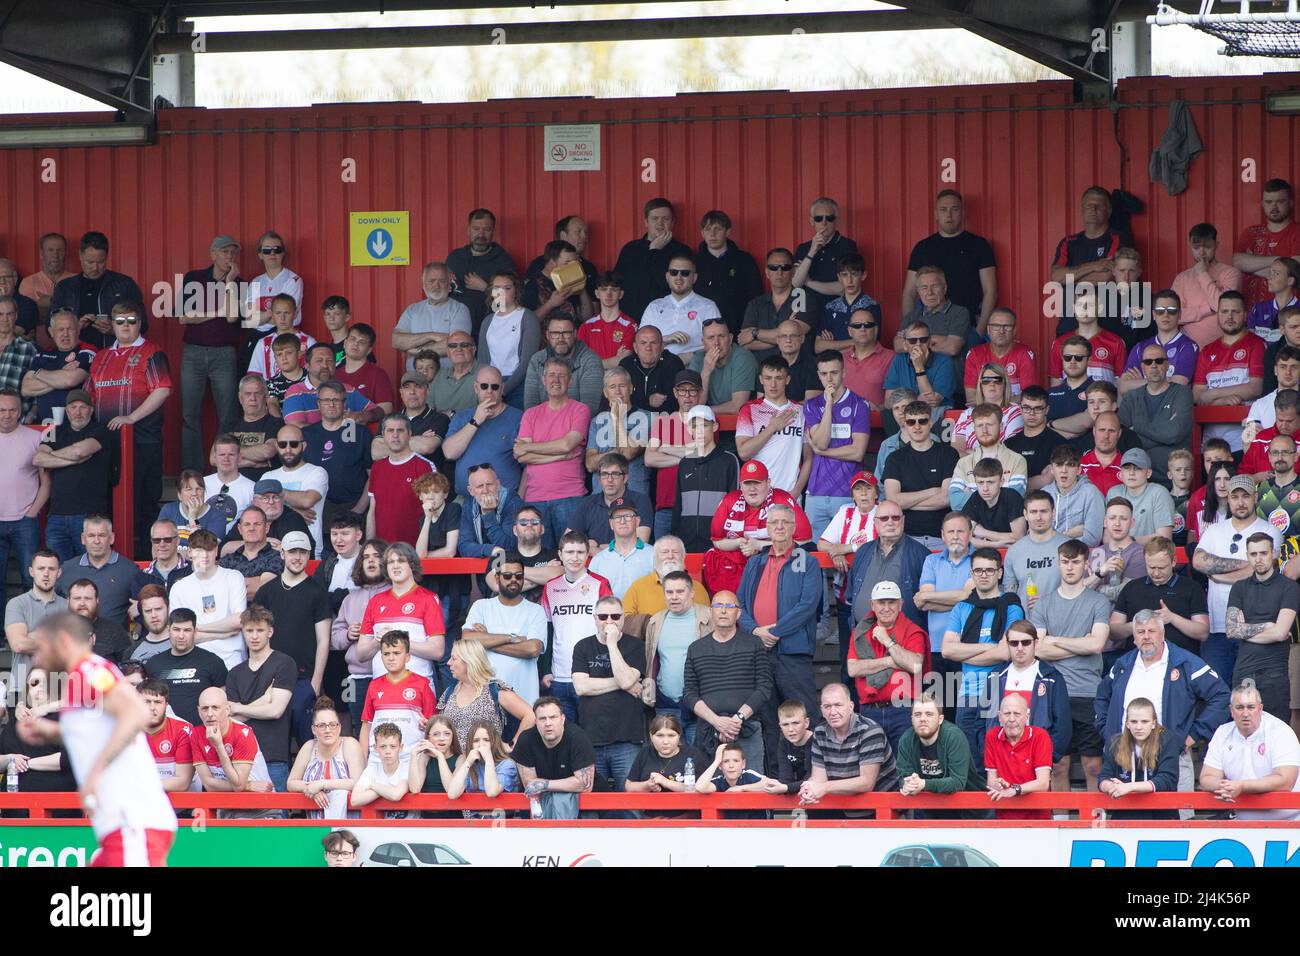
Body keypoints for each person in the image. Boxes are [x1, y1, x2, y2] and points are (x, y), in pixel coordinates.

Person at [18, 612, 176, 865]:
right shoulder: (77, 681)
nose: (36, 657)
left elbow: (135, 713)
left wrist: (96, 772)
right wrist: (51, 731)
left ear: (63, 642)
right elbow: (94, 732)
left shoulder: (90, 670)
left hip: (133, 821)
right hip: (118, 824)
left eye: (40, 648)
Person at [1096, 610, 1232, 800]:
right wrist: (1107, 731)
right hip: (1125, 756)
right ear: (1134, 637)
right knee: (1128, 822)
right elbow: (1102, 696)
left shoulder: (1185, 662)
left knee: (1176, 821)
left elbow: (1222, 696)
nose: (1146, 637)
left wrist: (1193, 736)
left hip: (1170, 755)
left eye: (1151, 631)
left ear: (1163, 633)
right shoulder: (1123, 664)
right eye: (1140, 632)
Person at [737, 504, 822, 776]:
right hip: (760, 652)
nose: (780, 527)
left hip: (792, 652)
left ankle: (813, 777)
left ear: (794, 527)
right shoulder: (755, 562)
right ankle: (776, 780)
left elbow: (808, 604)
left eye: (785, 522)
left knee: (806, 717)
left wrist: (774, 632)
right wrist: (755, 631)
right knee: (770, 719)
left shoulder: (806, 560)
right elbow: (740, 602)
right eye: (774, 523)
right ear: (768, 527)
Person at [85, 301, 172, 553]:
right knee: (107, 505)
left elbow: (162, 390)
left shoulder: (152, 352)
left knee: (143, 504)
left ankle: (145, 560)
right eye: (120, 321)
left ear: (140, 323)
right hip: (106, 444)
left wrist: (131, 417)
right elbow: (88, 397)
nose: (126, 326)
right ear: (111, 325)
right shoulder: (101, 357)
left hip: (143, 441)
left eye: (131, 321)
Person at [1026, 538, 1110, 790]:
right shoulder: (1043, 604)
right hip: (1053, 691)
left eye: (1075, 562)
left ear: (1086, 565)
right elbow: (1038, 649)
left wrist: (1056, 640)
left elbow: (1096, 645)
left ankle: (1097, 823)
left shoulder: (1098, 602)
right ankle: (1059, 820)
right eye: (1065, 562)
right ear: (1058, 564)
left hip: (1088, 691)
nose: (1070, 567)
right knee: (1058, 764)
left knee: (1093, 764)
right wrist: (1079, 643)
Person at [1193, 475, 1281, 684]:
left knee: (1252, 695)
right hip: (1217, 629)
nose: (1240, 502)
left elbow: (1266, 569)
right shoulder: (1214, 530)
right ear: (1228, 499)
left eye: (1245, 496)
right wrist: (1246, 563)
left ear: (1255, 497)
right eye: (1235, 497)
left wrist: (1220, 577)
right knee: (1217, 692)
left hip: (1255, 629)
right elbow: (1198, 561)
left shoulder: (1270, 531)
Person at [941, 547, 1025, 763]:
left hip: (1000, 694)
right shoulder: (961, 608)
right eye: (978, 570)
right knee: (968, 761)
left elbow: (1006, 652)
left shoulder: (1011, 607)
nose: (984, 575)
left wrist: (964, 651)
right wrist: (988, 647)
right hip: (967, 693)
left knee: (997, 761)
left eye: (989, 570)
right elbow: (947, 650)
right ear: (971, 574)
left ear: (1000, 573)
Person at [683, 589, 772, 771]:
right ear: (710, 611)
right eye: (718, 606)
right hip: (709, 729)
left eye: (729, 606)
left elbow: (764, 687)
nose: (723, 611)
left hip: (747, 727)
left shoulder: (754, 643)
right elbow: (690, 694)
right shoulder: (696, 648)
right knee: (708, 792)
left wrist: (736, 720)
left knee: (750, 791)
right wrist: (717, 721)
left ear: (738, 613)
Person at [177, 235, 242, 471]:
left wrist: (230, 283)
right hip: (193, 354)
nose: (229, 257)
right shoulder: (194, 278)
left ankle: (223, 471)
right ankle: (191, 472)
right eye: (225, 252)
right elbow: (184, 317)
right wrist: (217, 312)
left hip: (224, 354)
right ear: (213, 254)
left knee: (227, 414)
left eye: (233, 253)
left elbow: (233, 316)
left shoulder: (238, 282)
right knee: (189, 416)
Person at [572, 595, 646, 796]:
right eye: (603, 616)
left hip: (627, 739)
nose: (609, 621)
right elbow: (581, 687)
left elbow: (625, 681)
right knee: (593, 802)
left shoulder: (635, 646)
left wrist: (611, 644)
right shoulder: (582, 646)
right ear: (595, 618)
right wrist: (625, 684)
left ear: (623, 619)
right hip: (592, 739)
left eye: (615, 616)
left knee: (630, 803)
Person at [515, 357, 592, 546]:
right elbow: (520, 455)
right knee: (540, 560)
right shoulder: (531, 414)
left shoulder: (580, 410)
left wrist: (528, 447)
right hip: (534, 499)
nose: (556, 380)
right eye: (551, 375)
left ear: (570, 380)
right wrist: (560, 455)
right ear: (543, 380)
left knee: (572, 556)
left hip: (570, 497)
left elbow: (567, 444)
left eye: (561, 376)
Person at [848, 581, 929, 756]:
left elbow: (915, 665)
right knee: (871, 767)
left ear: (900, 604)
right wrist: (891, 661)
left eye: (891, 602)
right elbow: (853, 669)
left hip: (903, 711)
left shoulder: (912, 631)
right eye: (881, 602)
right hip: (870, 710)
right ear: (872, 605)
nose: (886, 608)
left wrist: (887, 641)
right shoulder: (860, 632)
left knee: (905, 766)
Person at [223, 604, 298, 792]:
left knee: (277, 817)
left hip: (273, 755)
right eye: (249, 630)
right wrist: (263, 702)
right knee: (241, 819)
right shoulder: (234, 673)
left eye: (260, 630)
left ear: (270, 632)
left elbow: (275, 711)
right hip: (240, 757)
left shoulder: (284, 663)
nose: (254, 636)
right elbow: (230, 720)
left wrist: (239, 707)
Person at [539, 530, 612, 721]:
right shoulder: (551, 587)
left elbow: (610, 628)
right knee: (563, 736)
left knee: (592, 733)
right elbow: (547, 630)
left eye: (580, 552)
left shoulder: (600, 583)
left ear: (588, 554)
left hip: (591, 675)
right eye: (570, 552)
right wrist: (546, 669)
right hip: (559, 676)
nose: (575, 557)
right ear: (560, 554)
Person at [1225, 533, 1298, 723]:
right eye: (1253, 554)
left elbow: (1281, 632)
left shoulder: (1289, 587)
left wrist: (1245, 629)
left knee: (1276, 731)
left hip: (1275, 672)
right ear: (1247, 556)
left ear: (1273, 553)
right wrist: (1266, 626)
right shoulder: (1239, 588)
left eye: (1263, 553)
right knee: (1244, 730)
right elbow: (1231, 630)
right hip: (1244, 670)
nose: (1258, 559)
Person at [904, 189, 998, 334]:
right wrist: (909, 331)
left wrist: (980, 330)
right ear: (936, 214)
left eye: (954, 209)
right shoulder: (922, 248)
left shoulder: (980, 245)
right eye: (943, 210)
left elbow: (990, 291)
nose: (949, 215)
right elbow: (909, 292)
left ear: (962, 212)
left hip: (968, 326)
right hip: (928, 328)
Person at [1201, 682, 1300, 820]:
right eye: (1239, 707)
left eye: (1251, 707)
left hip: (1291, 821)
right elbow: (1206, 778)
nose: (1245, 713)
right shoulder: (1223, 732)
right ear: (1231, 710)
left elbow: (1285, 781)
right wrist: (1224, 786)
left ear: (1260, 708)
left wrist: (1242, 786)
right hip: (1244, 823)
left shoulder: (1280, 731)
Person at [357, 542, 446, 694]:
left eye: (401, 560)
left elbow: (438, 651)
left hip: (418, 691)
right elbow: (361, 654)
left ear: (412, 565)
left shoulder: (429, 599)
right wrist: (377, 642)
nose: (395, 565)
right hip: (382, 692)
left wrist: (397, 640)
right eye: (391, 562)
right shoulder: (375, 601)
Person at [461, 554, 547, 706]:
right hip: (486, 699)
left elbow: (533, 649)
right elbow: (467, 639)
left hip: (524, 700)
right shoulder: (481, 606)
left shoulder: (536, 610)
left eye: (518, 576)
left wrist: (487, 639)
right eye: (507, 576)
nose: (513, 580)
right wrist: (513, 638)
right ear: (497, 577)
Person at [983, 619, 1073, 763]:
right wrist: (990, 755)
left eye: (1026, 642)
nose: (1019, 648)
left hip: (1036, 759)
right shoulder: (995, 676)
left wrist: (1048, 757)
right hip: (1000, 757)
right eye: (1014, 643)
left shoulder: (1052, 677)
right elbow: (982, 721)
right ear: (1007, 645)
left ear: (1036, 643)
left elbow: (1063, 725)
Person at [799, 683, 900, 809]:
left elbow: (866, 783)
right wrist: (809, 787)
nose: (833, 712)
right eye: (827, 706)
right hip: (847, 808)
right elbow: (819, 778)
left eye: (838, 705)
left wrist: (824, 787)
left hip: (883, 811)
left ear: (851, 706)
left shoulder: (870, 731)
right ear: (822, 710)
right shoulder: (820, 732)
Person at [803, 349, 870, 538]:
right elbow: (822, 442)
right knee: (816, 555)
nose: (829, 379)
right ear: (818, 375)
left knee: (846, 551)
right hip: (816, 491)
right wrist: (829, 405)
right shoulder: (812, 405)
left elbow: (857, 452)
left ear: (844, 372)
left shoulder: (859, 404)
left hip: (847, 492)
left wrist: (823, 453)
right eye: (824, 374)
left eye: (834, 372)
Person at [1110, 537, 1210, 656]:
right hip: (1139, 662)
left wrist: (1172, 618)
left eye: (1162, 568)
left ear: (1174, 561)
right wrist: (1138, 624)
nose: (1156, 573)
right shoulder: (1131, 588)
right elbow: (1113, 632)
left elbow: (1203, 633)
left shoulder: (1191, 587)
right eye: (1151, 567)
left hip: (1181, 662)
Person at [1193, 291, 1265, 457]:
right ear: (1218, 315)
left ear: (1245, 315)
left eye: (1236, 312)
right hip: (1210, 441)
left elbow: (1256, 387)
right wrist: (1222, 401)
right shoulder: (1207, 351)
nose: (1229, 316)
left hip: (1242, 438)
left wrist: (1213, 394)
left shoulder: (1257, 344)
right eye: (1224, 311)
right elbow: (1197, 395)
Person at [641, 569, 711, 736]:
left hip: (700, 703)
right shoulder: (655, 621)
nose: (674, 596)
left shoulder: (709, 617)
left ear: (692, 592)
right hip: (665, 703)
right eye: (669, 592)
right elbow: (651, 660)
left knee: (697, 759)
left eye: (680, 591)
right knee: (669, 760)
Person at [882, 399, 960, 548]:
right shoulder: (895, 458)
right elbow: (893, 501)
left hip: (942, 537)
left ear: (930, 422)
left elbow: (946, 499)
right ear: (904, 423)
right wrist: (931, 491)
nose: (917, 426)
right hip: (906, 537)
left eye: (922, 421)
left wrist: (906, 502)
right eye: (911, 422)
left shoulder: (948, 454)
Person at [49, 231, 146, 349]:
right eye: (90, 262)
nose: (95, 268)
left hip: (114, 356)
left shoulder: (125, 284)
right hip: (75, 359)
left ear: (107, 257)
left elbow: (143, 324)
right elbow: (49, 327)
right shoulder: (65, 288)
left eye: (101, 262)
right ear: (80, 255)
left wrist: (116, 328)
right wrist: (74, 327)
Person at [329, 538, 388, 729]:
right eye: (366, 557)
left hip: (389, 675)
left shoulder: (396, 593)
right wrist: (348, 634)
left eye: (376, 556)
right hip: (356, 678)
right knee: (358, 726)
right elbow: (335, 638)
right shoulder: (350, 598)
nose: (370, 561)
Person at [896, 693, 987, 816]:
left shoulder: (954, 736)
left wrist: (924, 784)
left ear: (940, 719)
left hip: (969, 812)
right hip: (930, 811)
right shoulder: (906, 740)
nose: (923, 719)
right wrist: (908, 784)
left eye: (929, 714)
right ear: (912, 719)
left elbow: (957, 782)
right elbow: (904, 776)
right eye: (918, 714)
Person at [168, 529, 248, 669]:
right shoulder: (179, 587)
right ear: (190, 552)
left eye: (209, 550)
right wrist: (223, 633)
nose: (204, 555)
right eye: (199, 550)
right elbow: (179, 636)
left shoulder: (233, 577)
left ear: (216, 551)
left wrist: (198, 628)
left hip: (232, 660)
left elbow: (238, 621)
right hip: (195, 662)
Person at [438, 638, 534, 752]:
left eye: (453, 658)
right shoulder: (449, 692)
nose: (448, 662)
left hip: (488, 765)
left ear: (469, 661)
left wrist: (512, 746)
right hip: (457, 766)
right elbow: (442, 726)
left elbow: (530, 715)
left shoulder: (494, 689)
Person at [442, 366, 525, 498]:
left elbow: (529, 465)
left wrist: (520, 499)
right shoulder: (463, 417)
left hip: (505, 500)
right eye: (484, 386)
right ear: (476, 388)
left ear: (502, 388)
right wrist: (476, 421)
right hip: (467, 500)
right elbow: (449, 453)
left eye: (495, 387)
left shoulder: (519, 418)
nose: (489, 391)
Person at [357, 631, 437, 767]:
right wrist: (363, 759)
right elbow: (366, 726)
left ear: (408, 657)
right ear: (380, 657)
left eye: (396, 653)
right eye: (386, 654)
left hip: (413, 759)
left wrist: (428, 724)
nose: (391, 658)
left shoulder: (422, 684)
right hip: (378, 760)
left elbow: (433, 724)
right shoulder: (374, 685)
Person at [1118, 344, 1193, 485]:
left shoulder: (1182, 392)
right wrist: (1162, 435)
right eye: (1148, 362)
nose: (1153, 365)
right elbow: (1123, 438)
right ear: (1143, 366)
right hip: (1137, 478)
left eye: (1159, 361)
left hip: (1172, 480)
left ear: (1167, 365)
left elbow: (1174, 433)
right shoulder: (1131, 397)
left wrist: (1138, 428)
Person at [1097, 697, 1182, 820]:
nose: (1138, 727)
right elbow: (1103, 777)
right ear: (1127, 723)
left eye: (1144, 721)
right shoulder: (1115, 743)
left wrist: (1130, 787)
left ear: (1153, 723)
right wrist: (1111, 787)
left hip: (1161, 816)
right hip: (1125, 814)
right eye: (1134, 721)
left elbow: (1167, 780)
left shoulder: (1168, 740)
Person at [670, 405, 740, 553]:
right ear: (689, 430)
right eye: (695, 426)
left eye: (705, 425)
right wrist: (676, 538)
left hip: (719, 544)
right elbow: (678, 506)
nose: (700, 431)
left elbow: (736, 505)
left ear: (714, 427)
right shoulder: (685, 463)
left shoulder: (729, 460)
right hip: (686, 543)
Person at [513, 696, 596, 820]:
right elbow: (531, 786)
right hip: (539, 806)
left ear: (562, 719)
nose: (548, 723)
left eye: (553, 717)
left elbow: (585, 786)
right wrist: (566, 784)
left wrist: (546, 784)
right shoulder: (526, 739)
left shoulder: (578, 738)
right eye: (542, 718)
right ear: (536, 722)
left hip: (583, 805)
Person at [613, 198, 694, 322]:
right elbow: (619, 284)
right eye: (655, 218)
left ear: (672, 223)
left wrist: (655, 251)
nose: (660, 223)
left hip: (669, 321)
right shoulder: (630, 249)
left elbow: (670, 285)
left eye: (665, 219)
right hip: (631, 320)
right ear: (646, 222)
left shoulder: (682, 251)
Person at [144, 608, 228, 725]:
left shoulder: (213, 662)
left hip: (203, 734)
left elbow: (223, 703)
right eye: (176, 630)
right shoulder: (154, 664)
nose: (181, 636)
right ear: (169, 630)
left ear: (195, 631)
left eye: (187, 630)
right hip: (166, 735)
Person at [287, 695, 363, 820]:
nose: (328, 730)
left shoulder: (349, 744)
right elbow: (291, 783)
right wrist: (311, 790)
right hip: (315, 824)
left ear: (339, 727)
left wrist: (321, 784)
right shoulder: (309, 747)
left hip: (347, 827)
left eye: (332, 724)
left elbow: (358, 782)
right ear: (313, 729)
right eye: (321, 725)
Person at [1170, 223, 1243, 346]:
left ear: (1216, 245)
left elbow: (1221, 307)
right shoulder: (1182, 278)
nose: (1202, 252)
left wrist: (1202, 273)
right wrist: (1207, 309)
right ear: (1190, 246)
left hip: (1224, 346)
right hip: (1190, 349)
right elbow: (1175, 315)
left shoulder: (1231, 273)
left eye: (1207, 247)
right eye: (1196, 248)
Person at [364, 415, 432, 548]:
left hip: (413, 551)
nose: (395, 435)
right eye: (390, 431)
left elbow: (433, 511)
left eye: (400, 430)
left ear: (410, 434)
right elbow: (372, 510)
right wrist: (370, 546)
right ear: (383, 434)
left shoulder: (425, 467)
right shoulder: (377, 467)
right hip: (382, 551)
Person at [446, 209, 517, 334]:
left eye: (487, 229)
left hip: (492, 328)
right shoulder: (455, 258)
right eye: (476, 229)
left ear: (493, 232)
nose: (481, 234)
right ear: (468, 230)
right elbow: (443, 295)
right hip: (456, 328)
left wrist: (485, 287)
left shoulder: (503, 261)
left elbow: (510, 304)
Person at [621, 535, 709, 637]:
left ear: (684, 556)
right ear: (654, 557)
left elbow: (707, 623)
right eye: (665, 552)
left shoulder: (698, 588)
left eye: (675, 552)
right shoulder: (638, 586)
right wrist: (648, 624)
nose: (670, 556)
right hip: (649, 647)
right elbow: (624, 621)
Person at [1233, 178, 1300, 310]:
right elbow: (1237, 262)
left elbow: (1297, 267)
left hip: (1289, 315)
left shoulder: (1297, 231)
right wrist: (1284, 263)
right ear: (1262, 204)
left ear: (1291, 203)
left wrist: (1252, 268)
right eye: (1269, 202)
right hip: (1252, 312)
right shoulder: (1251, 232)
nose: (1274, 207)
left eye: (1280, 201)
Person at [692, 209, 762, 336]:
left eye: (717, 229)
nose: (712, 234)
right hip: (701, 332)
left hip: (738, 329)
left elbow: (756, 296)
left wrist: (749, 328)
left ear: (727, 231)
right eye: (708, 229)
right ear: (702, 233)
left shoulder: (744, 260)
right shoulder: (693, 263)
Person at [585, 369, 653, 499]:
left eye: (622, 386)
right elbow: (590, 464)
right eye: (612, 387)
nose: (617, 391)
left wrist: (616, 417)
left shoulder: (647, 418)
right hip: (602, 496)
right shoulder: (597, 422)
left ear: (631, 388)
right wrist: (616, 452)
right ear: (605, 393)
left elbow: (628, 453)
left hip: (634, 494)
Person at [22, 306, 94, 428]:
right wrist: (62, 373)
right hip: (46, 427)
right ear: (51, 332)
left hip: (76, 426)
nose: (65, 334)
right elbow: (26, 389)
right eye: (60, 329)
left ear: (78, 329)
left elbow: (70, 380)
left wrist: (39, 373)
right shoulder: (43, 354)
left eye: (70, 329)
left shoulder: (87, 350)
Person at [393, 261, 473, 371]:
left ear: (450, 283)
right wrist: (431, 336)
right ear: (423, 283)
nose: (436, 285)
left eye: (442, 281)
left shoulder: (459, 309)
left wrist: (419, 350)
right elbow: (396, 340)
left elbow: (456, 345)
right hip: (416, 382)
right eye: (431, 281)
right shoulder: (412, 310)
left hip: (448, 380)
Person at [983, 694, 1053, 819]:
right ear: (999, 716)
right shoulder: (992, 736)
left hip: (1037, 818)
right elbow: (991, 780)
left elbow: (1043, 783)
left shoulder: (1040, 736)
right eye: (1006, 713)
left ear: (1027, 716)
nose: (1011, 719)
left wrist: (1015, 790)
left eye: (1017, 714)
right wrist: (998, 784)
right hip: (1002, 816)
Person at [948, 404, 1029, 511]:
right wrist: (999, 492)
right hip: (972, 527)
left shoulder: (1017, 460)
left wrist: (972, 494)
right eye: (979, 425)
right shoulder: (963, 463)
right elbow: (955, 502)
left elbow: (1013, 501)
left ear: (1001, 427)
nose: (984, 430)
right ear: (974, 428)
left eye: (989, 424)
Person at [476, 272, 540, 408]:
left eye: (507, 288)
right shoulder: (488, 321)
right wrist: (490, 387)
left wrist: (503, 389)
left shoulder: (527, 317)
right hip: (491, 386)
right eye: (497, 288)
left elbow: (528, 362)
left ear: (516, 291)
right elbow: (482, 360)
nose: (502, 292)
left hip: (519, 385)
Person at [1119, 289, 1199, 394]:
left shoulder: (1188, 346)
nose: (1165, 315)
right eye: (1160, 311)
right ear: (1153, 314)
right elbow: (1124, 387)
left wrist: (1140, 382)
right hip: (1142, 409)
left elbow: (1178, 384)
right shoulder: (1140, 347)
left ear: (1179, 314)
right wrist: (1167, 380)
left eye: (1171, 310)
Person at [640, 254, 720, 359]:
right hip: (658, 367)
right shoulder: (654, 306)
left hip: (693, 368)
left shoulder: (708, 307)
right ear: (667, 277)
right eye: (674, 272)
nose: (679, 277)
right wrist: (665, 339)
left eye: (685, 273)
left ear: (694, 278)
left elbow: (717, 344)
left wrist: (688, 357)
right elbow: (640, 342)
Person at [521, 314, 604, 414]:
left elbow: (589, 410)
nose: (560, 339)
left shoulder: (590, 360)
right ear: (547, 335)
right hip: (543, 425)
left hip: (577, 426)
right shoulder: (537, 360)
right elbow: (530, 408)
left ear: (575, 334)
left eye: (566, 333)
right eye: (555, 333)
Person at [793, 197, 860, 321]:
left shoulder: (847, 246)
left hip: (836, 313)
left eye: (829, 218)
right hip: (805, 314)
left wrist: (808, 282)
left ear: (836, 221)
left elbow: (843, 288)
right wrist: (812, 251)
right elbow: (795, 283)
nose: (824, 223)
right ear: (812, 221)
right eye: (819, 219)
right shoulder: (803, 249)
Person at [572, 451, 653, 551]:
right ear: (599, 479)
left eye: (615, 474)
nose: (609, 479)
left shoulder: (640, 500)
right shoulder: (588, 503)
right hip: (594, 565)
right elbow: (568, 541)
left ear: (625, 478)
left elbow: (640, 544)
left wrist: (595, 549)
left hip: (629, 563)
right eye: (605, 474)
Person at [624, 714, 710, 808]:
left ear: (679, 736)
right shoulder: (645, 753)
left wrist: (666, 782)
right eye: (660, 735)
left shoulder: (692, 754)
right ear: (651, 736)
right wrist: (647, 785)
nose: (665, 741)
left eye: (671, 735)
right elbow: (629, 786)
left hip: (686, 816)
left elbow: (701, 788)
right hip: (650, 817)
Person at [739, 247, 807, 362]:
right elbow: (745, 343)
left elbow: (797, 336)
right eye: (773, 268)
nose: (779, 272)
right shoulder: (756, 303)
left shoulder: (801, 297)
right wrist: (783, 337)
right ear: (767, 272)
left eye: (785, 268)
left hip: (795, 370)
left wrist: (754, 333)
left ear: (793, 271)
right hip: (761, 373)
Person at [1001, 490, 1068, 606]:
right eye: (1033, 512)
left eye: (1043, 511)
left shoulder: (1069, 547)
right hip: (1025, 621)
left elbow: (1079, 591)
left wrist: (1049, 601)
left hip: (1062, 620)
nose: (1038, 517)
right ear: (1025, 515)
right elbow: (1009, 596)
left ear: (1053, 513)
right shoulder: (1014, 551)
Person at [1048, 286, 1126, 384]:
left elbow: (1121, 385)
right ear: (1073, 309)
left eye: (1090, 305)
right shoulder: (1060, 343)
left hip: (1104, 399)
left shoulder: (1115, 342)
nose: (1084, 309)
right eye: (1080, 304)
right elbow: (1056, 384)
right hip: (1071, 399)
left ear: (1100, 308)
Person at [964, 308, 1037, 403]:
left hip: (1014, 413)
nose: (1001, 331)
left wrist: (996, 403)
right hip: (983, 413)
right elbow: (971, 398)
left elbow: (1029, 396)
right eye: (996, 326)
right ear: (988, 329)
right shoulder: (975, 354)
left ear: (1014, 330)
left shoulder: (1024, 353)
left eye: (1007, 326)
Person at [884, 319, 957, 412]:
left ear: (929, 342)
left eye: (923, 340)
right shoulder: (899, 359)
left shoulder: (945, 361)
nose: (918, 344)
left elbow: (930, 405)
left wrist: (919, 368)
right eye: (912, 341)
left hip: (936, 418)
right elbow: (888, 402)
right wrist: (917, 400)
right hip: (906, 418)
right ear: (905, 345)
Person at [137, 678, 196, 793]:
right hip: (142, 804)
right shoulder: (126, 729)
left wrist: (137, 785)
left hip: (182, 808)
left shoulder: (182, 729)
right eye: (147, 702)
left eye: (158, 702)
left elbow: (182, 783)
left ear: (166, 705)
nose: (152, 707)